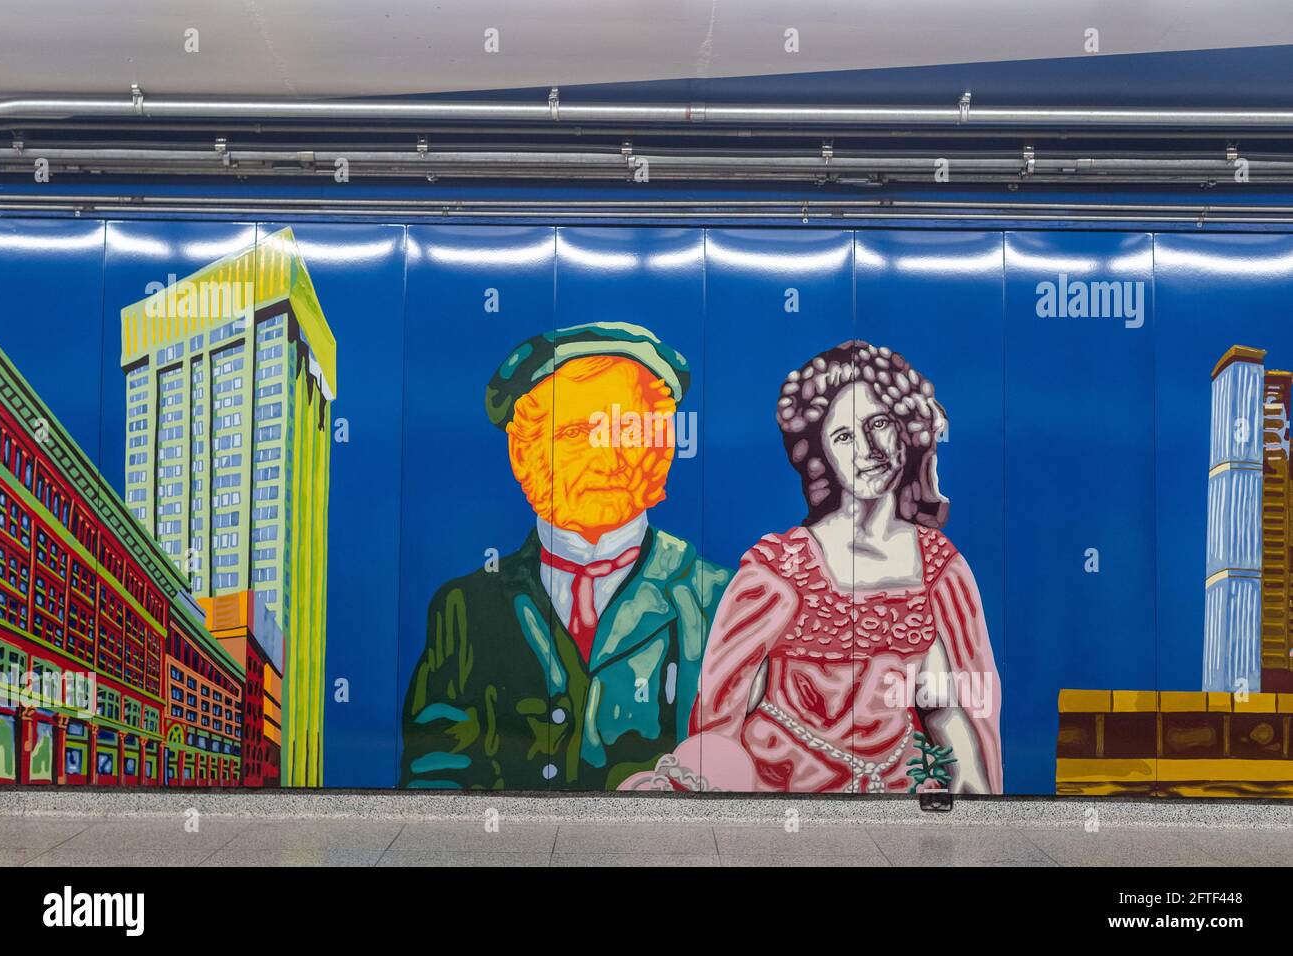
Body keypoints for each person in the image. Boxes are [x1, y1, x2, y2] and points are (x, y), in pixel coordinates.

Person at [623, 340, 1002, 794]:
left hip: (898, 798)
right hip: (779, 794)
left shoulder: (939, 570)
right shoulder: (778, 570)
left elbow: (950, 712)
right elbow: (720, 715)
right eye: (843, 436)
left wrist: (978, 807)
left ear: (906, 429)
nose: (867, 448)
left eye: (878, 423)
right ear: (822, 453)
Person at [400, 322, 730, 790]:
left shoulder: (718, 599)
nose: (606, 456)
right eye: (577, 431)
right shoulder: (464, 608)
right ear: (522, 452)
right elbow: (434, 774)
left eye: (627, 431)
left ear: (663, 449)